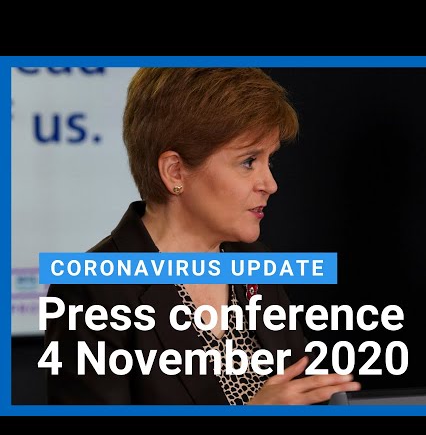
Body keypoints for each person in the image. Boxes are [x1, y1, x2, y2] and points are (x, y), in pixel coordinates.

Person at [45, 67, 361, 405]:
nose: (270, 184)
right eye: (248, 162)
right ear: (175, 172)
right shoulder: (92, 290)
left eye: (269, 161)